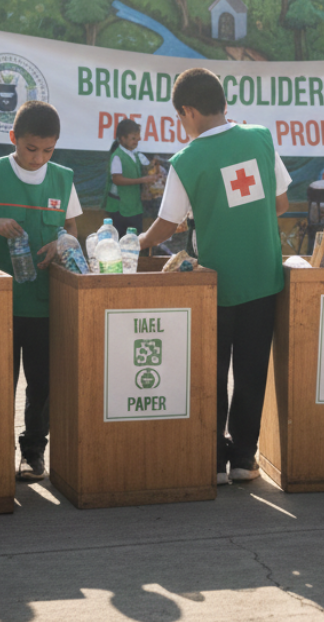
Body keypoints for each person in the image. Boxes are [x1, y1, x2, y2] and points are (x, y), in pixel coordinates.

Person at [138, 69, 289, 485]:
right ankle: (244, 458)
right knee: (253, 369)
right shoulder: (260, 136)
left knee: (211, 372)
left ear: (187, 111)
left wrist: (137, 244)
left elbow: (167, 226)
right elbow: (280, 202)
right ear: (223, 102)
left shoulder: (186, 160)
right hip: (263, 278)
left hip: (214, 286)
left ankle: (211, 460)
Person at [0, 101, 82, 483]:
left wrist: (61, 244)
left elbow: (72, 232)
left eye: (48, 150)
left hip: (45, 304)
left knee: (42, 384)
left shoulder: (63, 178)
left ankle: (33, 452)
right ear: (14, 138)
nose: (38, 158)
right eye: (31, 149)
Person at [104, 118, 154, 235]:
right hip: (120, 208)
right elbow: (117, 179)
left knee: (135, 241)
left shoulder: (135, 154)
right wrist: (142, 180)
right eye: (133, 139)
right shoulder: (117, 156)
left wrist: (153, 169)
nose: (136, 141)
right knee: (121, 241)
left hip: (134, 206)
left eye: (138, 138)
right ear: (122, 139)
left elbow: (145, 168)